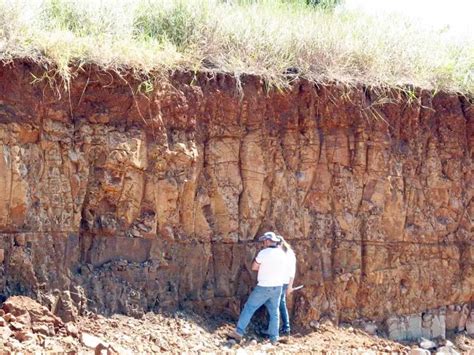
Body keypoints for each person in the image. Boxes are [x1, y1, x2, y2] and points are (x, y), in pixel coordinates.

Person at [229, 231, 288, 344]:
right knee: (274, 312)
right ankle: (274, 338)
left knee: (249, 307)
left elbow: (254, 267)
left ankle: (238, 333)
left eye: (264, 241)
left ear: (267, 241)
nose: (263, 243)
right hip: (278, 287)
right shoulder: (281, 253)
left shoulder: (264, 253)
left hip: (264, 286)